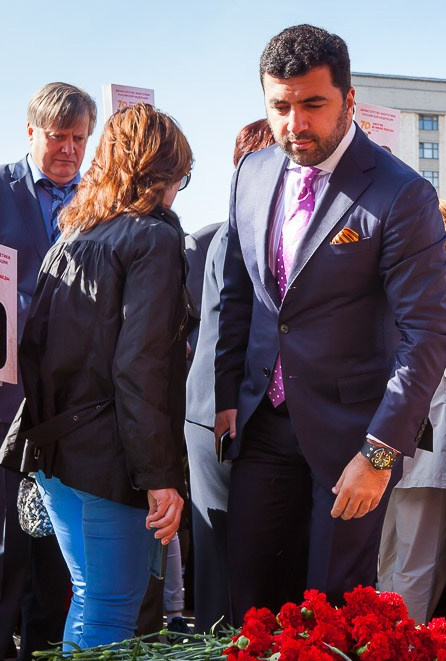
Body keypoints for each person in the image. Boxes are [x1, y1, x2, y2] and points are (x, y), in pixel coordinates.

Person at [215, 24, 446, 618]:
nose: (295, 123)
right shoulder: (251, 173)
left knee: (328, 618)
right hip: (261, 425)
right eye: (280, 106)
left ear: (349, 100)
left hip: (353, 437)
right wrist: (224, 399)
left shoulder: (401, 192)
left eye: (313, 105)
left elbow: (427, 333)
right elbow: (237, 296)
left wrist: (380, 453)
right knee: (249, 607)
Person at [0, 103, 192, 648]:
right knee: (109, 611)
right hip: (112, 456)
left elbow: (35, 350)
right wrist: (159, 474)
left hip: (60, 450)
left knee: (90, 600)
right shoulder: (152, 237)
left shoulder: (73, 233)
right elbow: (142, 366)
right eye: (181, 177)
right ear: (163, 171)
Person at [0, 81, 95, 661]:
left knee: (60, 547)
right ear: (31, 132)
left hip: (73, 402)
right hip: (1, 393)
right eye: (58, 137)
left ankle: (42, 655)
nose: (69, 149)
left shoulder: (98, 197)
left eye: (79, 138)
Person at [184, 118, 275, 633]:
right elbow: (226, 326)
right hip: (222, 413)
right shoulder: (239, 234)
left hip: (228, 408)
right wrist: (229, 405)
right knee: (222, 562)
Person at [378, 200, 446, 624]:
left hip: (383, 439)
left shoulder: (389, 279)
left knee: (386, 554)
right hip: (430, 439)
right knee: (422, 561)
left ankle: (378, 639)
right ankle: (404, 641)